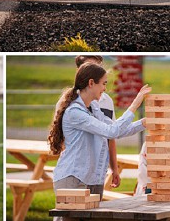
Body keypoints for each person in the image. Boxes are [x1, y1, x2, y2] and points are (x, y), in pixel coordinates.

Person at [48, 62, 151, 200]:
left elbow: (117, 130)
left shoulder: (94, 109)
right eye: (103, 83)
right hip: (73, 180)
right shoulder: (75, 112)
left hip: (93, 180)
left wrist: (143, 123)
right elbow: (111, 132)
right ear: (91, 83)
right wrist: (135, 104)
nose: (105, 88)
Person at [73, 55, 121, 188]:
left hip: (99, 171)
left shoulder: (107, 101)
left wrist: (114, 169)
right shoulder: (72, 102)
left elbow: (111, 136)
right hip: (78, 171)